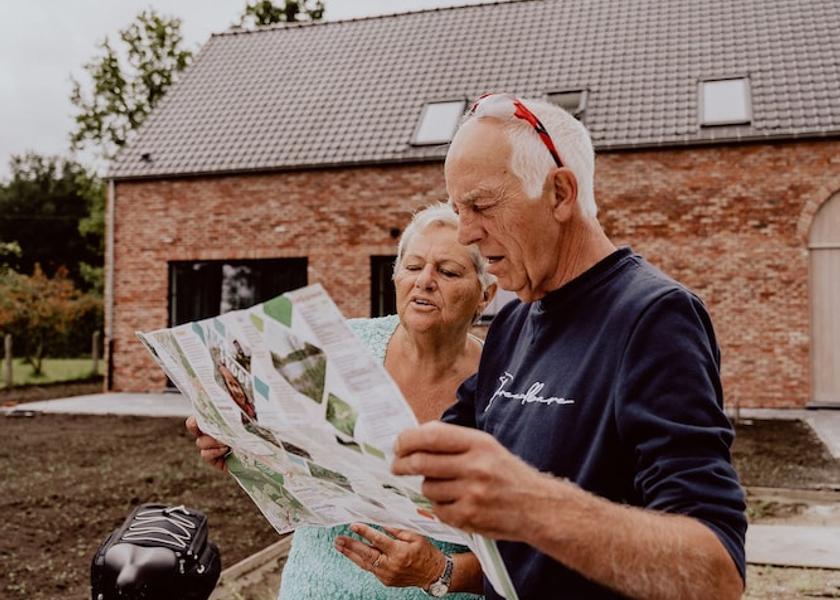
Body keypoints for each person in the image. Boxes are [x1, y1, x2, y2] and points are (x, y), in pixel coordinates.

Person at [391, 94, 748, 600]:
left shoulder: (654, 317)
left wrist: (530, 505)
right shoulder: (514, 320)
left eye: (481, 206)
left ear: (559, 193)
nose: (467, 233)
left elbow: (716, 573)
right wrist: (272, 441)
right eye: (457, 210)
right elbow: (425, 452)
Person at [186, 203, 497, 599]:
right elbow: (282, 453)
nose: (425, 281)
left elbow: (526, 557)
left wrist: (440, 570)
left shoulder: (505, 384)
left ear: (485, 294)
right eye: (413, 266)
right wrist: (232, 438)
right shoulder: (339, 346)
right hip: (316, 586)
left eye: (448, 271)